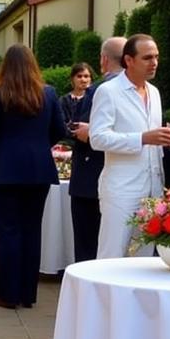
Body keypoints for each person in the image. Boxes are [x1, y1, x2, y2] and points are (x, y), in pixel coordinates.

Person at [0, 44, 67, 309]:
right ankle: (28, 294)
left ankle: (8, 293)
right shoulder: (47, 93)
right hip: (39, 169)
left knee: (9, 232)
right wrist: (39, 145)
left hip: (5, 169)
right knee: (31, 230)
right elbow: (59, 129)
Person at [90, 34, 170, 258]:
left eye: (156, 57)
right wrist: (142, 138)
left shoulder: (154, 92)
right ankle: (105, 295)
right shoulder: (108, 91)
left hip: (153, 188)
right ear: (129, 60)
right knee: (112, 255)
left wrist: (167, 140)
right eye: (147, 57)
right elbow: (97, 137)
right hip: (121, 188)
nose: (154, 63)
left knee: (144, 257)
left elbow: (150, 138)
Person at [65, 38, 124, 262]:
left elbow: (80, 130)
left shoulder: (99, 90)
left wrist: (90, 131)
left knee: (89, 243)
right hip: (115, 179)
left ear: (103, 60)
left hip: (92, 178)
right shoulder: (144, 91)